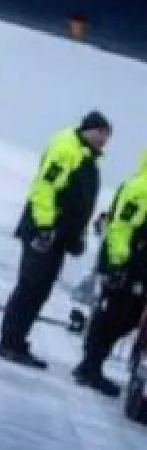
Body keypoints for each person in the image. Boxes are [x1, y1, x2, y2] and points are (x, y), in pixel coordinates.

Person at [0, 110, 112, 369]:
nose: (104, 141)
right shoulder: (67, 151)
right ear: (90, 130)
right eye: (102, 134)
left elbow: (79, 204)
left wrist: (75, 236)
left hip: (58, 237)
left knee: (39, 290)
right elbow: (45, 189)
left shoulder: (84, 155)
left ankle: (17, 340)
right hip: (45, 234)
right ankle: (9, 342)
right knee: (30, 288)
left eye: (107, 137)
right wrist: (45, 227)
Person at [73, 144, 147, 395]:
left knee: (127, 318)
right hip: (126, 266)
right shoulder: (141, 188)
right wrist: (117, 264)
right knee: (112, 316)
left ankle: (91, 364)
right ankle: (89, 366)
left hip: (138, 269)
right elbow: (121, 228)